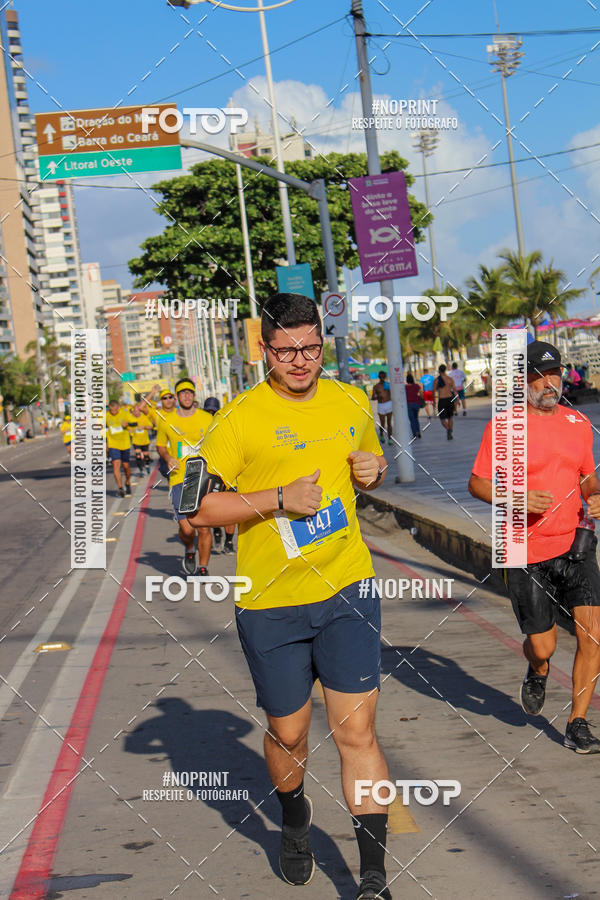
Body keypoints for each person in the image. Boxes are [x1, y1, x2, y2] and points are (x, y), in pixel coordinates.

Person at [189, 293, 392, 900]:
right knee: (290, 734)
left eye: (310, 347)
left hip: (347, 586)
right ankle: (295, 815)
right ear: (264, 350)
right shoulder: (238, 420)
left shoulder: (351, 400)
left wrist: (372, 470)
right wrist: (277, 499)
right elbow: (197, 507)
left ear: (322, 344)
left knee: (357, 732)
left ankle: (374, 878)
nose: (300, 361)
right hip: (270, 602)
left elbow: (370, 458)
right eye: (286, 350)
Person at [468, 340, 600, 753]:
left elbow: (587, 477)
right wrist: (515, 497)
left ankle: (577, 722)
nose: (549, 383)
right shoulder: (503, 428)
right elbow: (476, 484)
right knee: (544, 644)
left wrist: (595, 494)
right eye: (539, 376)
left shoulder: (578, 424)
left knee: (593, 637)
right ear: (522, 381)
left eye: (555, 374)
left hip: (575, 543)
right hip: (523, 550)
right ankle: (537, 668)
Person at [156, 379, 213, 576]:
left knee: (204, 528)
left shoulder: (207, 419)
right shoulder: (166, 420)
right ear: (177, 397)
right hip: (179, 478)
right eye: (183, 393)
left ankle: (203, 567)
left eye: (190, 393)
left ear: (193, 395)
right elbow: (161, 445)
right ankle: (190, 549)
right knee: (188, 530)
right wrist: (168, 457)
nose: (187, 396)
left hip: (202, 478)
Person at [203, 396, 235, 554]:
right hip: (211, 473)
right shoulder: (201, 427)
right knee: (214, 508)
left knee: (231, 511)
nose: (210, 414)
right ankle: (216, 532)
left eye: (213, 411)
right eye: (207, 411)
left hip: (230, 474)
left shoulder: (226, 423)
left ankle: (229, 542)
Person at [106, 400, 132, 497]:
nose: (113, 412)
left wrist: (128, 425)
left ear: (118, 407)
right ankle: (120, 487)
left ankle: (128, 482)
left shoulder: (124, 414)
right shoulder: (106, 416)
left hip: (125, 444)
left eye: (115, 410)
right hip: (113, 444)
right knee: (116, 465)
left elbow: (133, 422)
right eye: (111, 410)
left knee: (126, 467)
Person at [128, 401, 153, 475]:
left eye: (137, 410)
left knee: (146, 457)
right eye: (134, 411)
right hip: (136, 441)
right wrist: (130, 430)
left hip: (145, 441)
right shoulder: (131, 419)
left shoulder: (144, 418)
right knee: (138, 456)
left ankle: (147, 465)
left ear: (139, 411)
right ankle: (141, 470)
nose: (136, 412)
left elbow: (151, 426)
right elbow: (128, 428)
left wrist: (144, 427)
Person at [434, 364, 455, 440]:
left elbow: (434, 393)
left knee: (442, 419)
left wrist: (434, 403)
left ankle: (448, 429)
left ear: (439, 371)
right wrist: (457, 400)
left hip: (442, 400)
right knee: (450, 417)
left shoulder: (437, 380)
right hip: (450, 399)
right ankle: (450, 430)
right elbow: (455, 391)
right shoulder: (450, 379)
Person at [372, 370, 393, 445]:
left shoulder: (388, 385)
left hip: (389, 404)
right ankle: (381, 434)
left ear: (384, 377)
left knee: (389, 422)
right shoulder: (376, 386)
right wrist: (378, 396)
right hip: (381, 405)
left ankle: (390, 438)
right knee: (382, 423)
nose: (382, 378)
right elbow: (372, 398)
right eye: (381, 377)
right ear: (379, 377)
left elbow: (392, 394)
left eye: (383, 376)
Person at [404, 374, 422, 439]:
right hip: (416, 404)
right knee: (416, 418)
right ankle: (418, 432)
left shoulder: (405, 387)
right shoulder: (417, 386)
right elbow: (421, 394)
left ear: (407, 380)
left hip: (409, 404)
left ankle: (414, 434)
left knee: (412, 420)